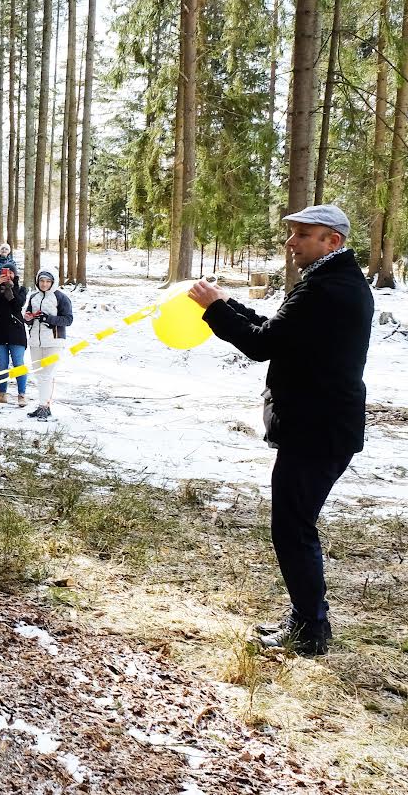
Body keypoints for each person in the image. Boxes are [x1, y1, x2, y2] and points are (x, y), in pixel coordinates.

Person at [188, 205, 372, 656]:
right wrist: (226, 305)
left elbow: (261, 343)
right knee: (294, 525)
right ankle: (307, 620)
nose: (292, 243)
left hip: (318, 429)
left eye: (303, 235)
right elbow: (278, 331)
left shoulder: (329, 289)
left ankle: (310, 630)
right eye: (291, 234)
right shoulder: (328, 282)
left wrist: (215, 310)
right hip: (319, 426)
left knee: (293, 528)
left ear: (333, 241)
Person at [23, 269, 74, 420]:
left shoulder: (61, 298)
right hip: (35, 342)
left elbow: (68, 319)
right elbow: (28, 318)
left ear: (53, 282)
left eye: (48, 281)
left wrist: (49, 319)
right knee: (39, 375)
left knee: (47, 375)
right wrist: (28, 318)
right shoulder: (33, 297)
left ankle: (44, 406)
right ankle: (42, 406)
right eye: (42, 281)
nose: (44, 284)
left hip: (54, 341)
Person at [0, 263, 29, 406]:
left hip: (16, 332)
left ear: (15, 275)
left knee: (18, 363)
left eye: (11, 272)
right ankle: (1, 393)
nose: (8, 275)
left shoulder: (22, 289)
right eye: (5, 272)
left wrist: (10, 288)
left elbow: (18, 304)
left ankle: (21, 394)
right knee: (2, 364)